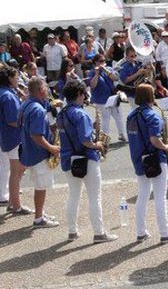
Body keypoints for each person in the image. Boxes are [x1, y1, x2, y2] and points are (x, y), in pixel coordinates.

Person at [57, 80, 117, 243]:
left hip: (68, 159)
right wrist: (97, 144)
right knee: (94, 197)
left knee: (73, 195)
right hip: (87, 159)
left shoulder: (61, 114)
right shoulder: (81, 114)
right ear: (78, 94)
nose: (85, 97)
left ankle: (72, 231)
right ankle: (99, 233)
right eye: (84, 94)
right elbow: (85, 140)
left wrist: (92, 126)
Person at [127, 84, 168, 243]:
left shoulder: (131, 116)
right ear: (151, 97)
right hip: (155, 158)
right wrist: (167, 147)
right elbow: (154, 140)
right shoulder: (153, 116)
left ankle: (141, 232)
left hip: (138, 158)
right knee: (160, 197)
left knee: (142, 194)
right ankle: (165, 234)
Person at [18, 77, 60, 227]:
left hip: (29, 151)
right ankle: (38, 218)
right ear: (41, 91)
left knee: (39, 185)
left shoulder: (26, 104)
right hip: (38, 154)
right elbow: (36, 135)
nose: (48, 91)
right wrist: (52, 148)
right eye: (46, 88)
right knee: (41, 186)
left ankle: (40, 213)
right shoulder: (38, 109)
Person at [0, 65, 31, 214]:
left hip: (8, 137)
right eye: (16, 77)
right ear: (9, 79)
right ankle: (15, 205)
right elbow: (12, 120)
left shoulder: (6, 93)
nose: (18, 79)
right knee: (16, 171)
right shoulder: (7, 95)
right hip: (14, 137)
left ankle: (13, 202)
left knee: (17, 171)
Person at [88, 54, 126, 141]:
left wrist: (104, 69)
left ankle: (122, 134)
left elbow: (115, 78)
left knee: (119, 116)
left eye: (104, 61)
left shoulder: (108, 69)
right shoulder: (92, 72)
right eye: (101, 61)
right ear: (95, 63)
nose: (103, 63)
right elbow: (92, 85)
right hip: (100, 100)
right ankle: (104, 138)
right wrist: (97, 74)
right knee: (106, 118)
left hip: (112, 98)